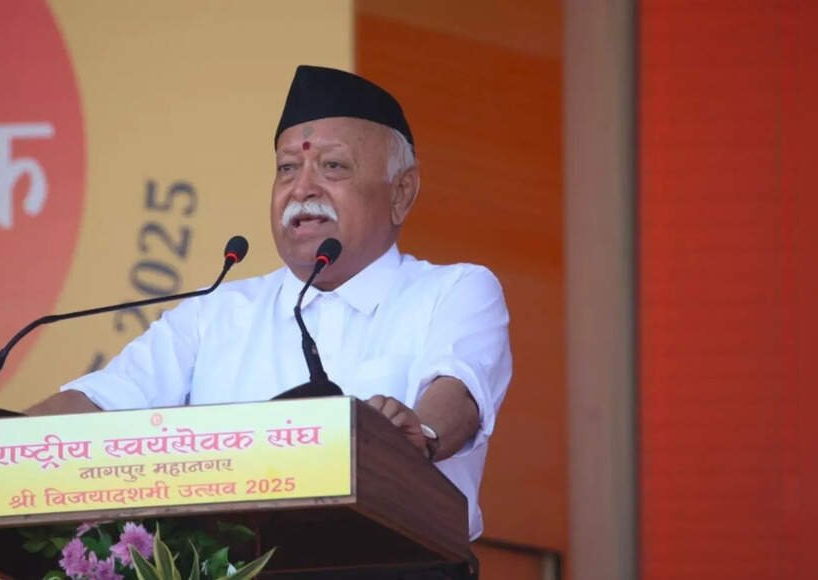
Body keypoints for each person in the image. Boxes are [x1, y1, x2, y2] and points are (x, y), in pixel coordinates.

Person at [27, 65, 512, 539]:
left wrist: (420, 434)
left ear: (401, 192)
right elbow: (101, 401)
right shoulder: (214, 313)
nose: (302, 188)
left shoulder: (453, 290)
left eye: (333, 166)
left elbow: (458, 389)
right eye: (287, 169)